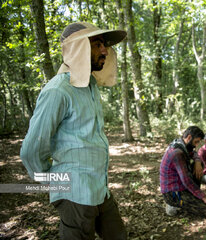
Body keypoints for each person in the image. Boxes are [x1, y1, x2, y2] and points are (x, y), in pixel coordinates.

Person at [20, 22, 128, 240]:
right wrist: (53, 180)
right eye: (97, 44)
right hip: (75, 193)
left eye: (104, 45)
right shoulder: (58, 91)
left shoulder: (90, 86)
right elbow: (31, 149)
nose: (105, 51)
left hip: (99, 189)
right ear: (78, 48)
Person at [160, 126, 206, 217]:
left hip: (181, 185)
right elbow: (186, 180)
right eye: (196, 142)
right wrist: (204, 196)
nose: (196, 145)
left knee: (199, 164)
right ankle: (173, 205)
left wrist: (198, 162)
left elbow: (194, 153)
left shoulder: (181, 145)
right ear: (189, 137)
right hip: (173, 192)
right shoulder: (177, 153)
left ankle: (191, 197)